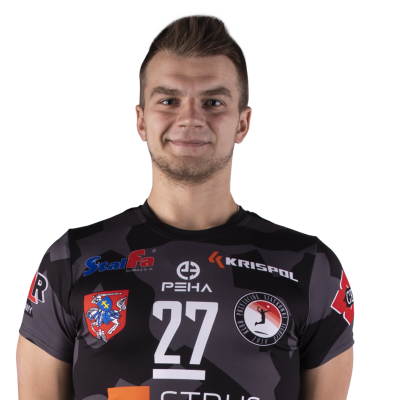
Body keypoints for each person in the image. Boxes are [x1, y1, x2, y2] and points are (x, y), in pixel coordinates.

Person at [16, 7, 354, 400]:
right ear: (141, 120)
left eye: (213, 102)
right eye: (168, 100)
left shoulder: (312, 267)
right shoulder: (70, 258)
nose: (190, 118)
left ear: (243, 123)